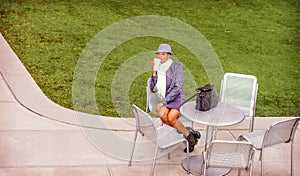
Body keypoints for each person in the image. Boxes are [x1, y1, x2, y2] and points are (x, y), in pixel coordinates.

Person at [150, 44, 200, 152]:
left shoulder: (176, 67)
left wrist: (163, 102)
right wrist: (154, 72)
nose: (160, 56)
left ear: (169, 55)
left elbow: (177, 87)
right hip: (165, 100)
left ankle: (190, 140)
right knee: (164, 117)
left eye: (163, 54)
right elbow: (153, 89)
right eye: (159, 54)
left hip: (176, 98)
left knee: (171, 118)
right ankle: (188, 133)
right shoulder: (158, 68)